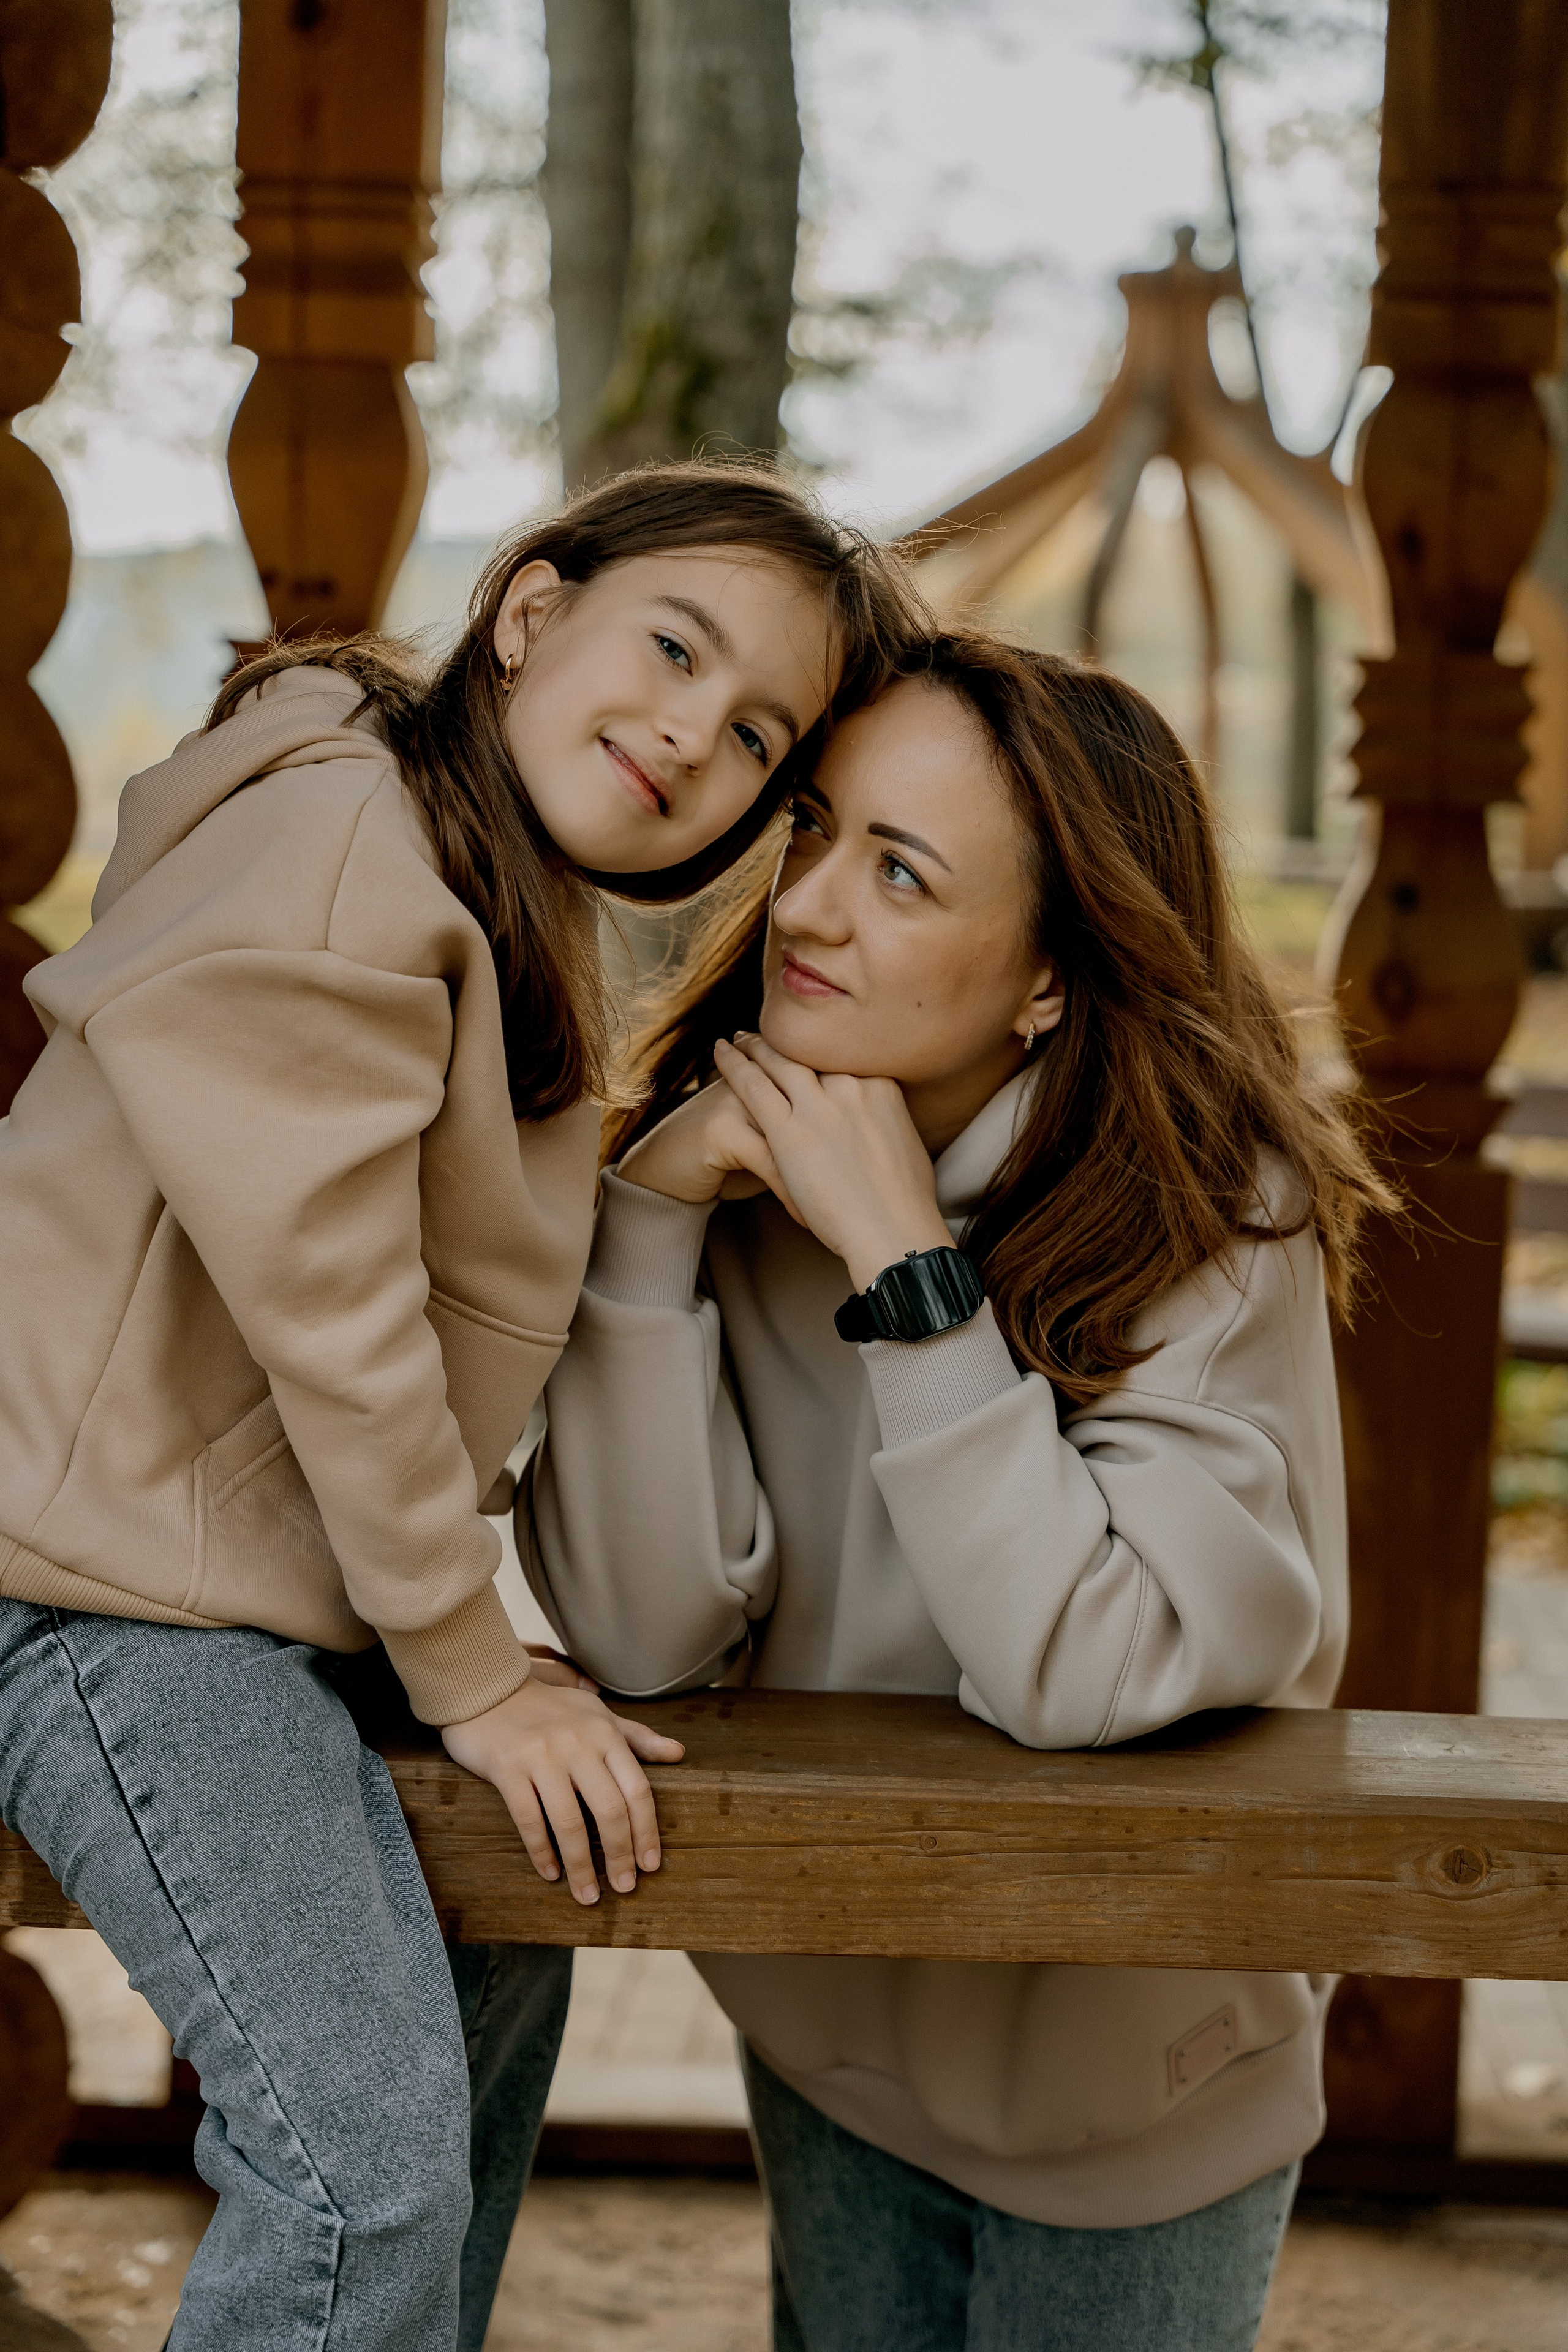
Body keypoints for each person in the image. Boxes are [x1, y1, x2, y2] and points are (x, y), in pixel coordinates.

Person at [0, 461, 919, 2352]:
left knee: (499, 1955)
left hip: (223, 1593)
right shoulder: (349, 845)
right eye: (676, 648)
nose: (697, 732)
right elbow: (333, 1313)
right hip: (91, 1596)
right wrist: (472, 1669)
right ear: (528, 613)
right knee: (361, 2175)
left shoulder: (478, 879)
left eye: (760, 732)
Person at [523, 629, 1397, 2352]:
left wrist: (906, 1271)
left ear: (1049, 979)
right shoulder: (729, 1165)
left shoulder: (1211, 1213)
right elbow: (644, 1636)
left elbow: (1091, 1669)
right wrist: (643, 1230)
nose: (806, 908)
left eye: (902, 874)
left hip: (1142, 2074)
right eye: (817, 831)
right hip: (831, 2034)